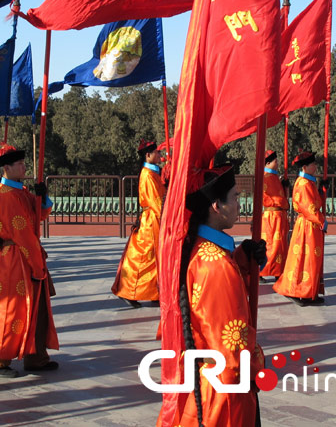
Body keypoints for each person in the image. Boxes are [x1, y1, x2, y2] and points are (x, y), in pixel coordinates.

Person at [168, 165, 265, 426]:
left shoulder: (205, 250)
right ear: (216, 206)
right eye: (235, 197)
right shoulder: (217, 265)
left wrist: (244, 257)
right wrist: (255, 365)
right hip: (224, 389)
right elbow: (231, 344)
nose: (239, 204)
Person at [0, 144, 57, 378]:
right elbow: (23, 234)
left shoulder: (19, 190)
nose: (24, 167)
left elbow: (37, 214)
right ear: (7, 168)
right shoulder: (8, 195)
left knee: (35, 309)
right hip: (16, 258)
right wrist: (36, 264)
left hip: (26, 255)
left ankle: (36, 355)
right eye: (20, 164)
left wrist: (42, 197)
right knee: (9, 309)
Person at [111, 139, 166, 307]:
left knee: (155, 257)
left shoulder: (154, 173)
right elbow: (156, 202)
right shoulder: (148, 175)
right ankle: (129, 290)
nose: (159, 154)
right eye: (156, 152)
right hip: (152, 221)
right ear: (148, 155)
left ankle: (155, 292)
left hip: (155, 219)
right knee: (144, 258)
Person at [273, 151, 326, 305]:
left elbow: (316, 203)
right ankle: (296, 291)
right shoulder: (303, 184)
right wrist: (322, 220)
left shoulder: (309, 182)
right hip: (307, 227)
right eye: (313, 164)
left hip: (311, 226)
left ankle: (309, 292)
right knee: (302, 259)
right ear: (304, 167)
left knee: (310, 260)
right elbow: (309, 208)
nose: (316, 166)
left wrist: (323, 192)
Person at [259, 149, 289, 283]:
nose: (277, 164)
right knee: (271, 244)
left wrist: (284, 188)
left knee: (280, 245)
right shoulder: (265, 178)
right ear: (267, 163)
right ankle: (261, 271)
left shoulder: (275, 177)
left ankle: (278, 270)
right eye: (275, 161)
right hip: (271, 216)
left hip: (279, 215)